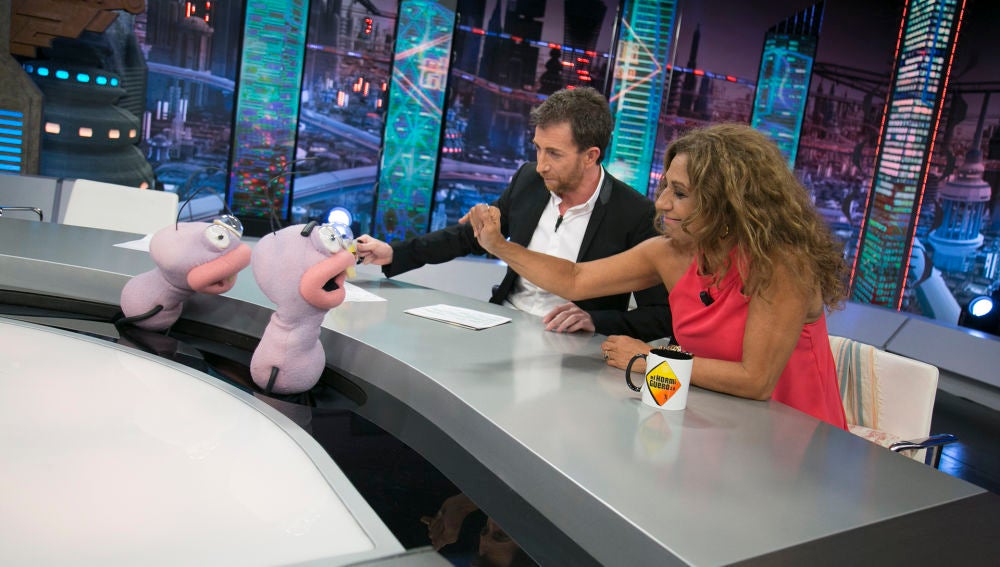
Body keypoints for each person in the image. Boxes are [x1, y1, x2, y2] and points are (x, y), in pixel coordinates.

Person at [466, 123, 849, 428]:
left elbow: (756, 380)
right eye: (665, 186)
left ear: (729, 204)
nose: (662, 202)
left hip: (795, 437)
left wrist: (648, 358)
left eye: (679, 193)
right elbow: (575, 280)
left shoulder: (782, 264)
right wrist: (499, 245)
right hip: (714, 422)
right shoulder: (670, 252)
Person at [356, 87, 671, 341]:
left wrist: (595, 321)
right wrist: (395, 253)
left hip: (572, 345)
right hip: (503, 324)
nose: (541, 164)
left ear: (590, 156)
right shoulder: (529, 179)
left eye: (554, 154)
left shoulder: (635, 214)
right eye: (538, 148)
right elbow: (473, 236)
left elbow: (660, 315)